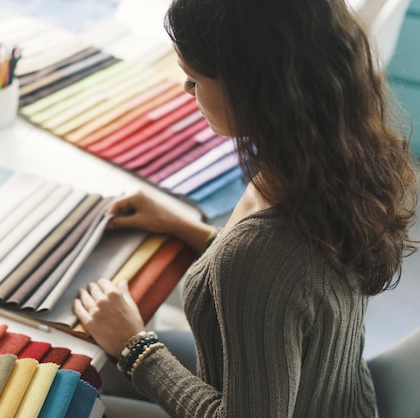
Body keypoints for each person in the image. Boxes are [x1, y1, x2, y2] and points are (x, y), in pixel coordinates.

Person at [73, 0, 419, 416]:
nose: (186, 90)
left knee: (70, 391)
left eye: (193, 79)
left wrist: (134, 346)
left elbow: (263, 266)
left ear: (250, 88)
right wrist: (183, 226)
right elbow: (285, 284)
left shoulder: (257, 252)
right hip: (336, 396)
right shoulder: (345, 159)